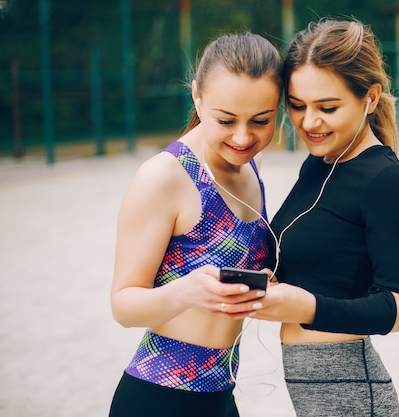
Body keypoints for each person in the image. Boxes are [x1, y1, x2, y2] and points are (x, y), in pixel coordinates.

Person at [251, 19, 399, 416]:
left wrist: (308, 308)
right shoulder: (319, 164)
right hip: (311, 391)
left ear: (371, 97)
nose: (309, 123)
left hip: (352, 394)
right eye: (297, 106)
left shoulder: (387, 181)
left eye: (327, 108)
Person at [108, 32, 282, 417]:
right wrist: (184, 293)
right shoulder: (163, 176)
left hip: (222, 396)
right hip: (159, 397)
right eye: (225, 120)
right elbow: (123, 306)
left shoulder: (249, 166)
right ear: (196, 98)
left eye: (261, 120)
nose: (242, 136)